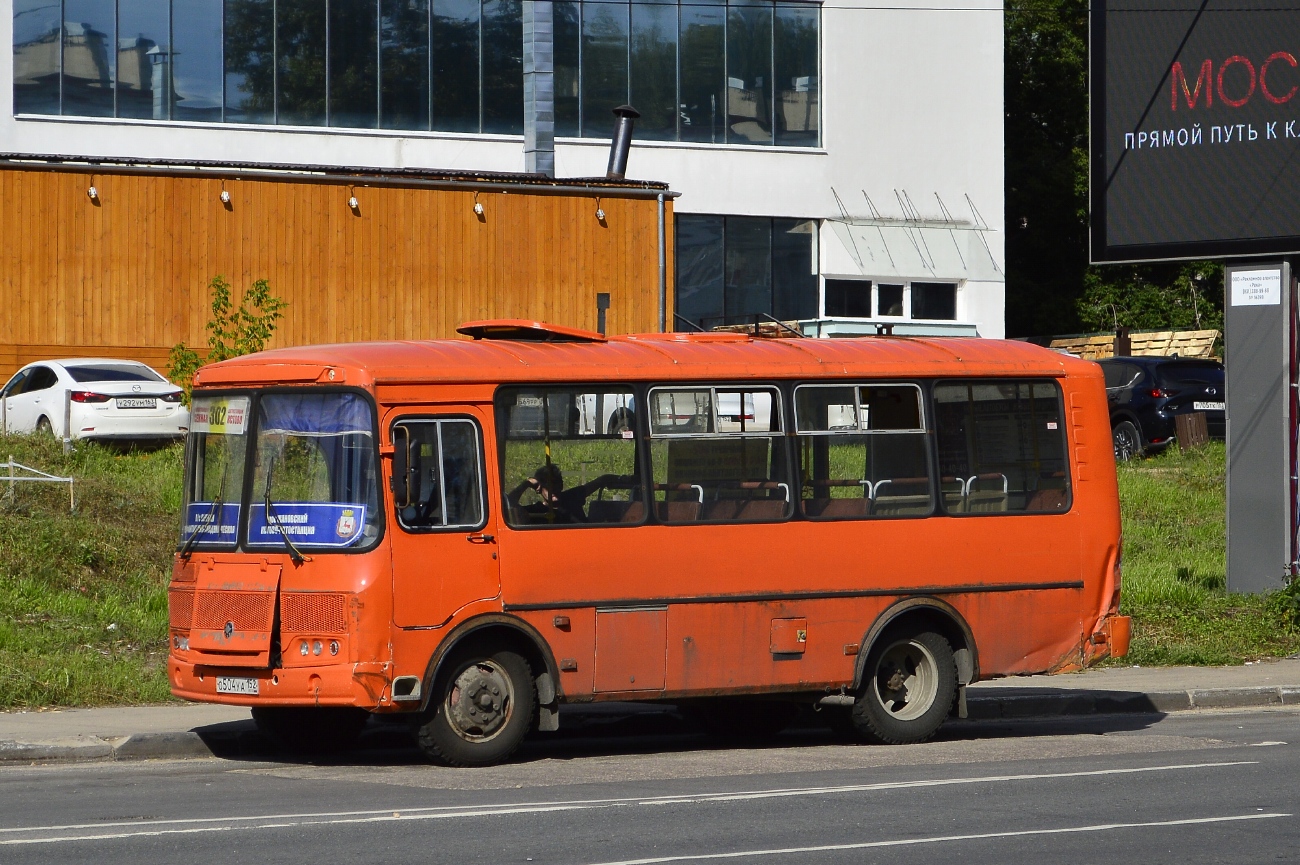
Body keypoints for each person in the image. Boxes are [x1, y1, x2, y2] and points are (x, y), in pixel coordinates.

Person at [507, 464, 630, 524]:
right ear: (538, 489)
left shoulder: (572, 497)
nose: (553, 489)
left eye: (556, 483)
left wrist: (628, 480)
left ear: (561, 485)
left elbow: (603, 479)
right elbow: (508, 503)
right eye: (547, 485)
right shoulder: (535, 511)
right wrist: (527, 483)